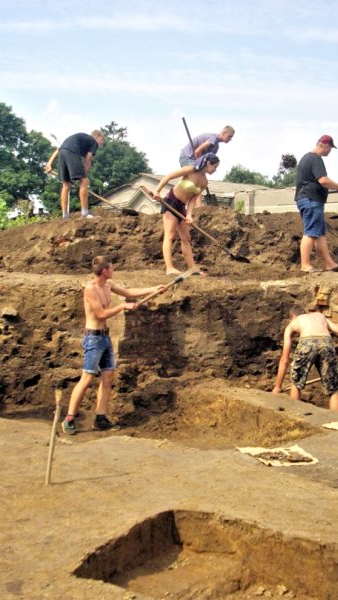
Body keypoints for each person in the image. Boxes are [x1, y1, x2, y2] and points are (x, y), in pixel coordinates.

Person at [62, 256, 166, 435]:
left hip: (105, 338)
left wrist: (154, 288)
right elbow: (101, 314)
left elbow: (128, 292)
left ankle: (100, 418)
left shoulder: (108, 285)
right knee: (87, 379)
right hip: (93, 339)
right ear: (104, 271)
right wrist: (122, 307)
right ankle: (69, 418)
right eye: (111, 268)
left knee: (108, 376)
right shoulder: (90, 289)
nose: (114, 270)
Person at [272, 305, 338, 412]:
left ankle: (295, 417)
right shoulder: (320, 316)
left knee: (296, 384)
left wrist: (277, 386)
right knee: (333, 390)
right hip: (326, 343)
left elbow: (285, 360)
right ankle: (335, 424)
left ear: (293, 316)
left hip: (307, 342)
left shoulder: (294, 323)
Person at [149, 153, 220, 275]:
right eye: (215, 167)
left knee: (186, 238)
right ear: (208, 163)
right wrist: (158, 191)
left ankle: (193, 268)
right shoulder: (189, 170)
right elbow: (169, 177)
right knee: (170, 235)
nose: (215, 170)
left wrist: (189, 215)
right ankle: (169, 268)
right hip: (171, 202)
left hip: (181, 207)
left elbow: (193, 199)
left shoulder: (204, 182)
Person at [294, 135, 338, 273]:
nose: (330, 151)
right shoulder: (315, 159)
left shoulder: (306, 158)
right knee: (311, 232)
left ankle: (330, 264)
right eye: (330, 148)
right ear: (325, 145)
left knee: (319, 234)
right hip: (311, 200)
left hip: (307, 199)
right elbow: (323, 180)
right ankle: (305, 265)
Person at [44, 130, 106, 219]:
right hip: (72, 152)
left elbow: (59, 149)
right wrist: (84, 176)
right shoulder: (93, 142)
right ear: (98, 137)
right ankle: (85, 213)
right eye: (102, 141)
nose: (101, 143)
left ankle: (65, 216)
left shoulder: (81, 139)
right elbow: (87, 160)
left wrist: (49, 164)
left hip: (62, 153)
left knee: (66, 185)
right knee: (84, 181)